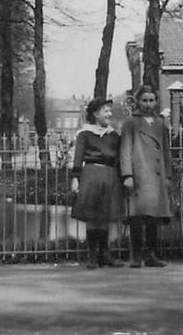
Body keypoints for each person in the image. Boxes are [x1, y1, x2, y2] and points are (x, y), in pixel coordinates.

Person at [119, 83, 172, 268]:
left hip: (157, 176)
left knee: (153, 217)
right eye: (144, 100)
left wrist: (168, 176)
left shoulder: (160, 123)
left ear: (156, 102)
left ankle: (150, 254)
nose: (148, 104)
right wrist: (127, 175)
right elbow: (125, 150)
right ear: (138, 101)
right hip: (139, 174)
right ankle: (135, 254)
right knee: (137, 216)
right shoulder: (130, 123)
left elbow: (166, 150)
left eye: (151, 100)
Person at [70, 97, 124, 268]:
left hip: (110, 175)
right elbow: (78, 157)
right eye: (105, 110)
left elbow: (120, 157)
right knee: (93, 216)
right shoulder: (85, 134)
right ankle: (93, 255)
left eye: (110, 110)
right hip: (92, 175)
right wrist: (75, 178)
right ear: (95, 114)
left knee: (105, 216)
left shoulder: (113, 135)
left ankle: (105, 254)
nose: (109, 113)